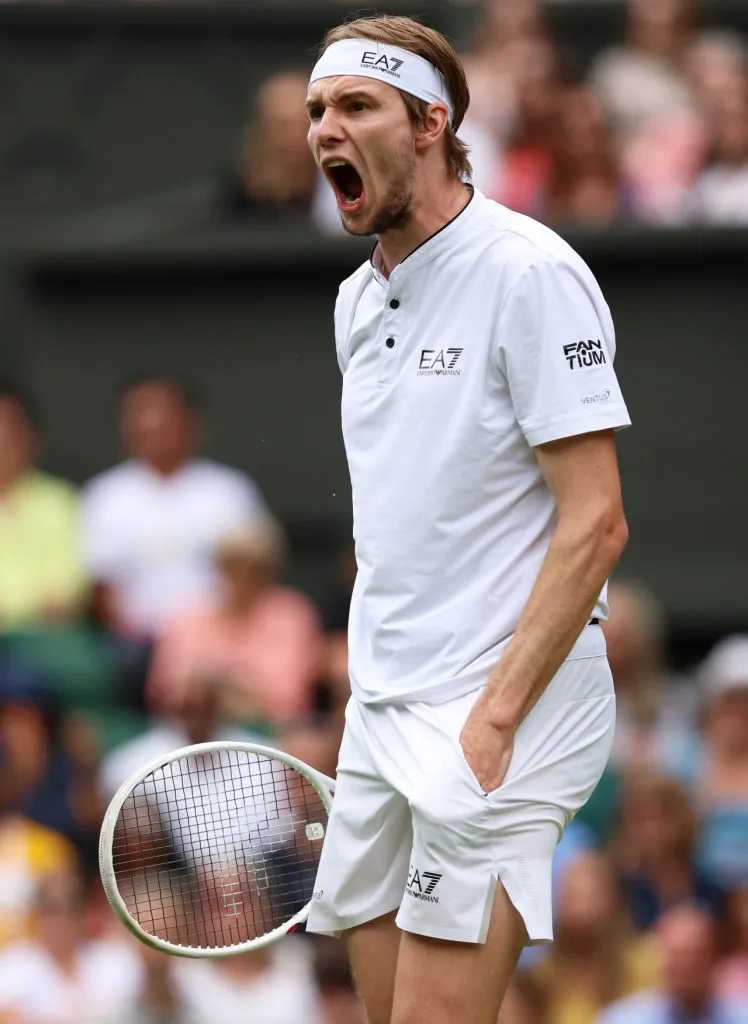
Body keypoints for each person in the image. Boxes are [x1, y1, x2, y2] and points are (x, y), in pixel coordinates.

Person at [303, 14, 631, 1024]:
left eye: (357, 105)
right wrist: (365, 687)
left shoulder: (528, 273)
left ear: (431, 123)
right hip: (386, 707)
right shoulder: (356, 302)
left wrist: (491, 721)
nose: (326, 130)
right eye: (317, 110)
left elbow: (596, 522)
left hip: (503, 705)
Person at [81, 374, 266, 641]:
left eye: (162, 413)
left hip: (220, 637)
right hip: (132, 644)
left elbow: (253, 574)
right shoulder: (104, 495)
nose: (150, 422)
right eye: (139, 412)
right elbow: (100, 589)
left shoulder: (230, 492)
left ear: (192, 422)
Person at [147, 517, 325, 726]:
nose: (239, 577)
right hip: (189, 735)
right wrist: (239, 688)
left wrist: (213, 683)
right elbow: (168, 690)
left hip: (269, 737)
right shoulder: (188, 614)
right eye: (230, 565)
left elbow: (287, 700)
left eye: (252, 568)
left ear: (269, 571)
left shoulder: (293, 616)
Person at [0, 382, 87, 627]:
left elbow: (65, 596)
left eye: (9, 433)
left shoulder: (61, 503)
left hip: (39, 643)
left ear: (32, 438)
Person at [597, 905, 748, 1024]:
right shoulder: (620, 1020)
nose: (686, 965)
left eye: (695, 954)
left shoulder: (742, 1018)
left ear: (714, 958)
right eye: (678, 955)